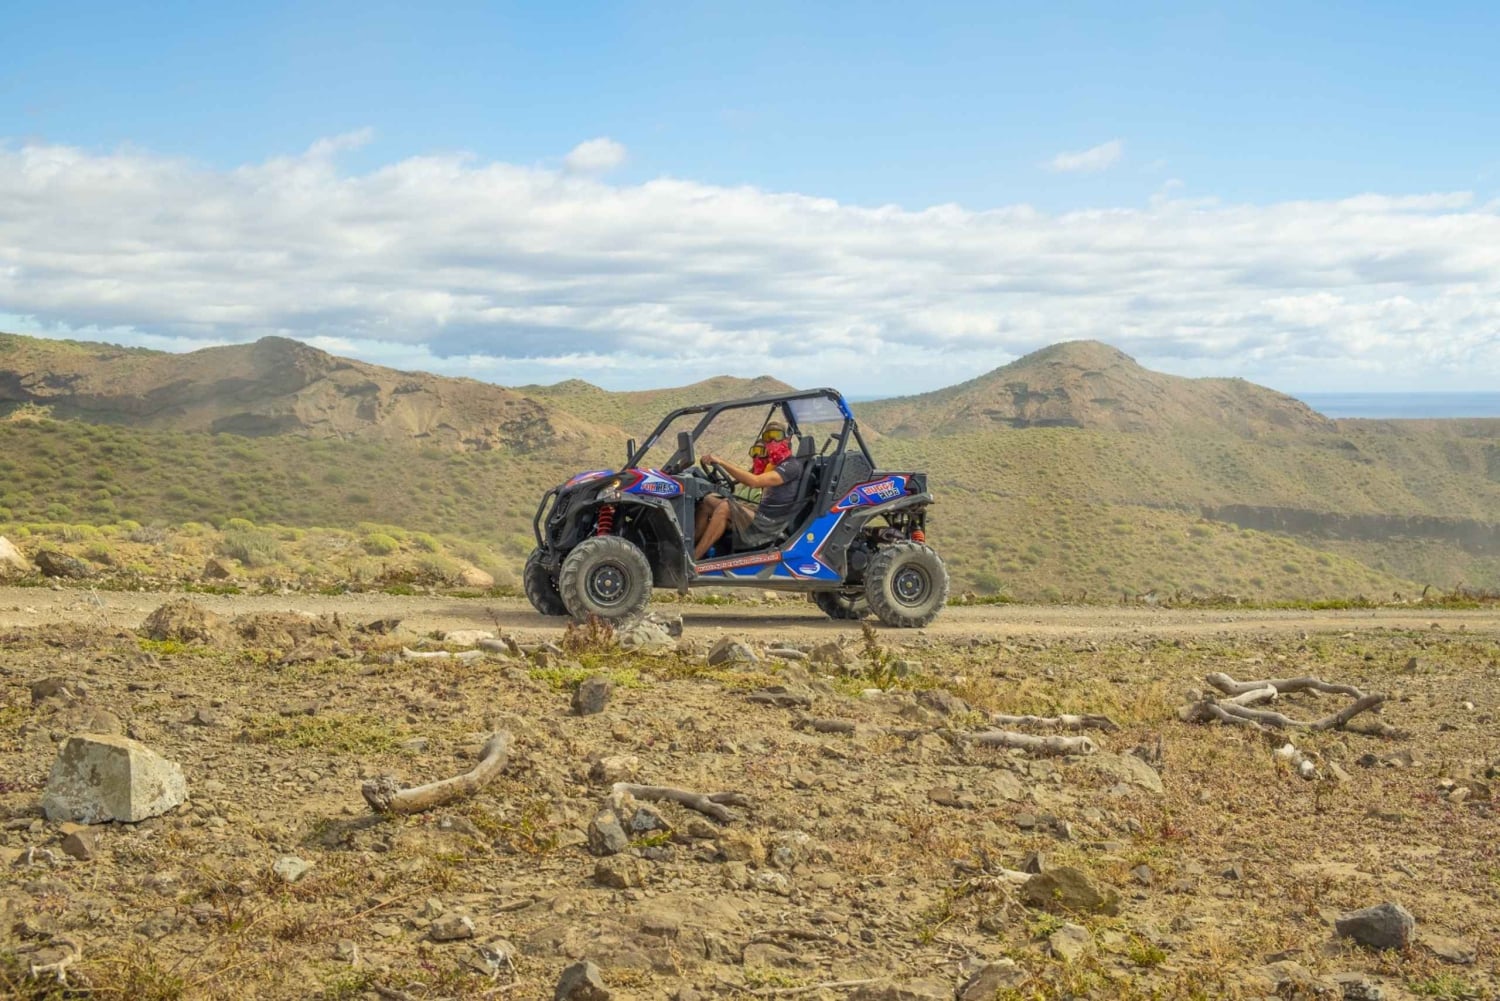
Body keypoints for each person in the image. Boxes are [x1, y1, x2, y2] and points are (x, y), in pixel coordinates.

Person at [693, 422, 805, 561]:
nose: (772, 441)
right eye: (768, 437)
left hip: (770, 523)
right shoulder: (774, 465)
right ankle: (689, 549)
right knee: (708, 501)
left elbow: (754, 481)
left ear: (787, 439)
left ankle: (693, 561)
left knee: (726, 507)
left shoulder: (791, 466)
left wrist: (721, 461)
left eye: (777, 435)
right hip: (761, 513)